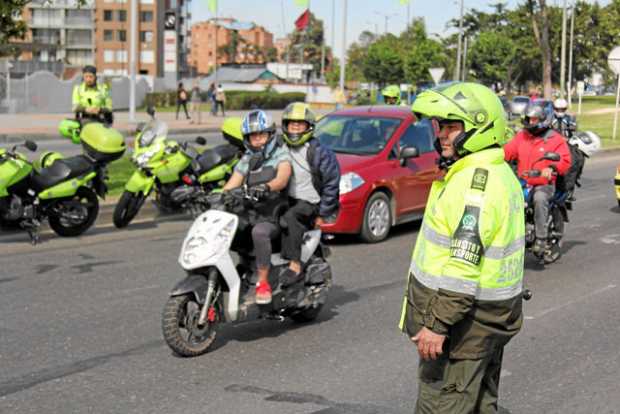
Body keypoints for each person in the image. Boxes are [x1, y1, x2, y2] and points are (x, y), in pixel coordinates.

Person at [399, 82, 526, 413]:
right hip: (488, 321)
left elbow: (463, 265)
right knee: (482, 405)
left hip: (463, 329)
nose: (441, 134)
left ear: (480, 128)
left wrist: (437, 325)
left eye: (452, 127)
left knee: (441, 406)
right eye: (440, 126)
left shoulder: (475, 185)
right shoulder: (493, 170)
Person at [222, 110, 292, 305]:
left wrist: (267, 186)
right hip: (252, 211)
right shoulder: (247, 158)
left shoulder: (281, 155)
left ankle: (263, 283)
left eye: (261, 135)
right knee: (229, 231)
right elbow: (232, 183)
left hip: (274, 213)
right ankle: (243, 269)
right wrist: (216, 196)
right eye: (253, 136)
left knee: (259, 233)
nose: (258, 140)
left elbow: (282, 178)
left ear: (270, 135)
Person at [278, 102, 340, 285]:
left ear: (309, 127)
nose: (295, 127)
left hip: (309, 202)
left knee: (291, 217)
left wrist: (323, 213)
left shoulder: (320, 153)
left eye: (300, 124)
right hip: (285, 198)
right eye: (291, 124)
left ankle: (295, 264)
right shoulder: (280, 146)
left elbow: (331, 184)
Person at [504, 101, 571, 254]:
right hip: (522, 182)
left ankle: (541, 238)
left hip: (544, 183)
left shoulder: (555, 139)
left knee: (540, 198)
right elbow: (507, 152)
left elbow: (565, 160)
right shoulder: (522, 136)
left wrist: (551, 167)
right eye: (528, 118)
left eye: (534, 119)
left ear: (543, 119)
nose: (530, 122)